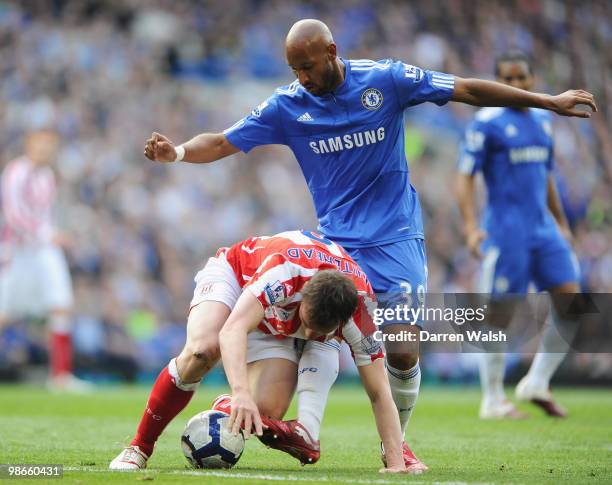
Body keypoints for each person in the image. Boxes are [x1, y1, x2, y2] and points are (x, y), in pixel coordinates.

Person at [142, 19, 596, 468]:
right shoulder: (287, 105)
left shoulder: (387, 80)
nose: (301, 77)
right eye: (294, 68)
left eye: (307, 66)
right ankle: (296, 420)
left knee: (401, 349)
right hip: (335, 249)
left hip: (396, 241)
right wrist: (178, 153)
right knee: (312, 336)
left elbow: (466, 90)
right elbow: (222, 141)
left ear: (332, 52)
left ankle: (396, 445)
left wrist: (546, 102)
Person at [110, 230, 408, 473]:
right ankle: (139, 447)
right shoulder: (284, 273)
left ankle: (227, 405)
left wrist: (395, 463)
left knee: (265, 412)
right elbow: (232, 330)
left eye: (320, 333)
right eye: (306, 323)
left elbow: (379, 391)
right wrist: (240, 391)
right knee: (203, 349)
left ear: (344, 322)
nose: (307, 336)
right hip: (237, 275)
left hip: (278, 315)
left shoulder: (362, 313)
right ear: (302, 298)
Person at [456, 51, 582, 419]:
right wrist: (469, 227)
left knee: (572, 303)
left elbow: (546, 175)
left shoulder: (544, 119)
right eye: (506, 80)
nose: (514, 86)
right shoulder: (486, 121)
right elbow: (465, 176)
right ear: (496, 83)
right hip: (505, 231)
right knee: (498, 315)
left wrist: (562, 223)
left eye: (520, 78)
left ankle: (537, 381)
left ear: (532, 78)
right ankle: (493, 398)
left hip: (543, 228)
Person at [0, 129, 89, 392]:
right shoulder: (16, 172)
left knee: (60, 304)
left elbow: (45, 213)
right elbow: (14, 214)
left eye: (50, 145)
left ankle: (60, 376)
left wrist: (52, 235)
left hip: (43, 250)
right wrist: (48, 234)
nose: (45, 150)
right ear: (29, 145)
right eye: (41, 144)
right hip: (17, 251)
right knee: (4, 311)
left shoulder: (47, 176)